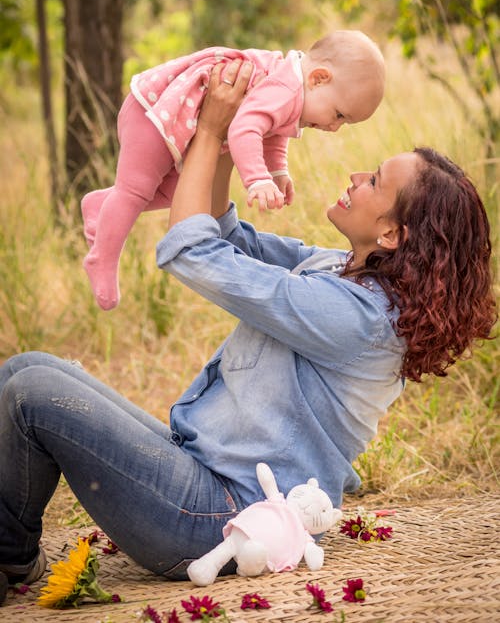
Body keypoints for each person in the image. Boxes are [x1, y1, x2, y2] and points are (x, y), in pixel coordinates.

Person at [0, 61, 495, 600]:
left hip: (221, 516)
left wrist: (210, 130)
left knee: (32, 395)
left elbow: (194, 251)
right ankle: (14, 553)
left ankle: (9, 560)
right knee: (28, 369)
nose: (357, 177)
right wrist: (229, 139)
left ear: (392, 233)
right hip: (202, 475)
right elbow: (230, 237)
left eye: (374, 181)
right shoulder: (343, 273)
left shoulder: (358, 317)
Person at [81, 29, 385, 310]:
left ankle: (100, 207)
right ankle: (102, 260)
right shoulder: (285, 87)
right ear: (319, 78)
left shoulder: (291, 91)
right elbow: (245, 128)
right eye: (339, 114)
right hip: (154, 112)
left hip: (172, 119)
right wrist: (257, 180)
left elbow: (273, 132)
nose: (335, 127)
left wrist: (278, 172)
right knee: (135, 189)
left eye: (344, 122)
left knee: (174, 192)